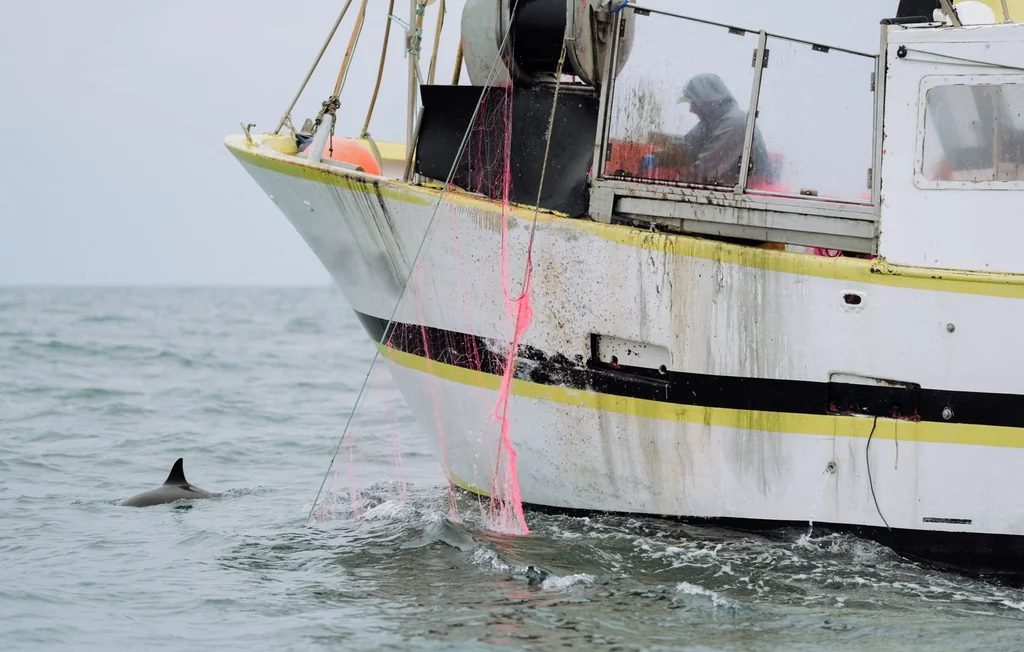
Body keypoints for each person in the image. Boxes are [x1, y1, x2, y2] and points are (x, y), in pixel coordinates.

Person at [646, 73, 772, 187]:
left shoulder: (734, 124)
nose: (691, 110)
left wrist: (672, 189)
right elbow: (689, 146)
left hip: (752, 196)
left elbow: (705, 171)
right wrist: (659, 158)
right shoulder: (711, 121)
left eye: (693, 103)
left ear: (706, 101)